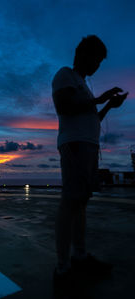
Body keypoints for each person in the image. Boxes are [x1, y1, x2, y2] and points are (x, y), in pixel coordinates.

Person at [52, 35, 128, 298]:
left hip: (87, 146)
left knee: (80, 202)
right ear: (82, 54)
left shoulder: (83, 86)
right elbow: (63, 105)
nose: (96, 67)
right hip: (74, 145)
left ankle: (79, 256)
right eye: (95, 60)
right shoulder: (66, 75)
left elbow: (92, 118)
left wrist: (108, 105)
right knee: (71, 202)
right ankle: (63, 267)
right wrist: (98, 99)